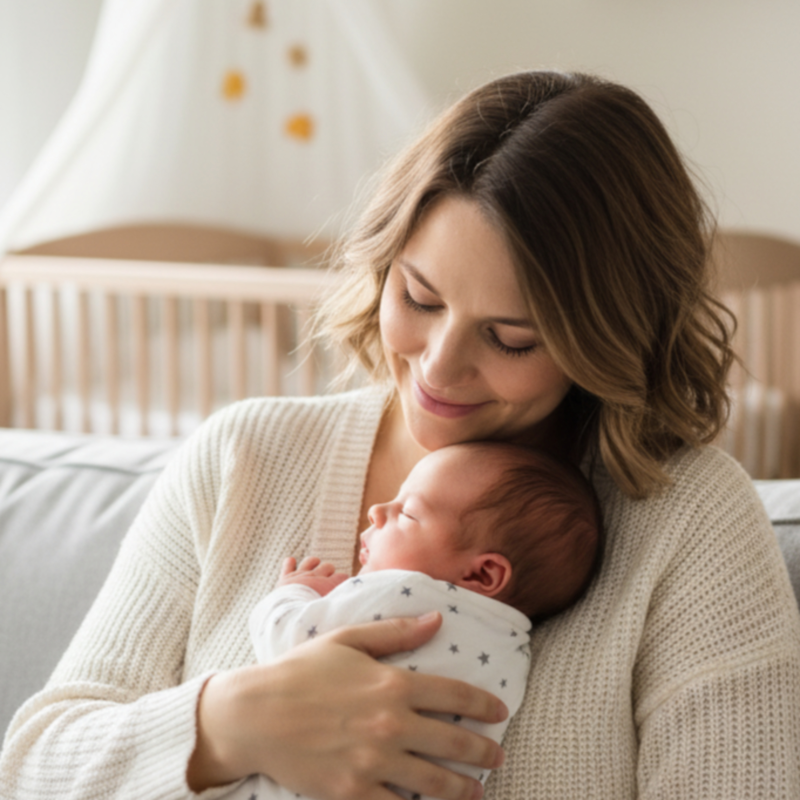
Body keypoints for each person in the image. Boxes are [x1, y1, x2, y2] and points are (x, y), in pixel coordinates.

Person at [2, 70, 800, 800]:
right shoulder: (242, 458)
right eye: (419, 298)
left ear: (607, 340)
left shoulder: (689, 521)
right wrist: (230, 723)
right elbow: (34, 765)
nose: (439, 368)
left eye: (511, 339)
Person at [224, 442, 601, 800]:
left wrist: (292, 593)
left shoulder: (403, 591)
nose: (377, 510)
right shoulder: (513, 655)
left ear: (483, 574)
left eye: (407, 513)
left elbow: (286, 644)